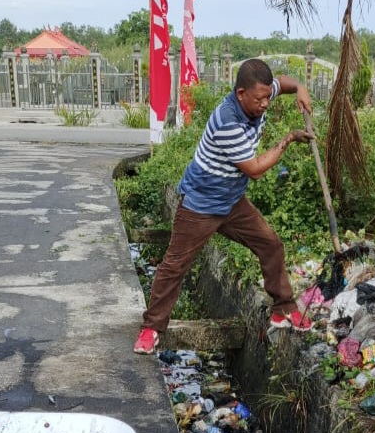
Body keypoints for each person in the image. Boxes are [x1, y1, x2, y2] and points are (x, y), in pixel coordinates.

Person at [134, 58, 315, 355]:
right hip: (201, 204)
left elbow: (285, 83)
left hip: (231, 201)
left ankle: (283, 308)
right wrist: (289, 139)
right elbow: (255, 169)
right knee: (175, 265)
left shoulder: (262, 92)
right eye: (259, 99)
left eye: (268, 96)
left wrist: (301, 88)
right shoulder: (227, 121)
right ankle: (151, 328)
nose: (265, 104)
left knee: (271, 244)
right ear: (241, 93)